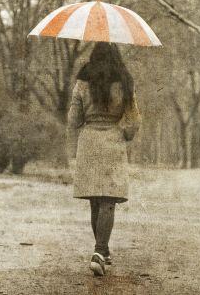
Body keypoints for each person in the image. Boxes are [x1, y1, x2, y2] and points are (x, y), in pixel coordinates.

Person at [67, 42, 141, 276]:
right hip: (112, 141)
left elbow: (74, 120)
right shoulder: (124, 82)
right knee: (108, 199)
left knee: (95, 200)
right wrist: (124, 133)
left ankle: (102, 250)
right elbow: (133, 121)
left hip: (89, 142)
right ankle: (100, 251)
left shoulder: (82, 81)